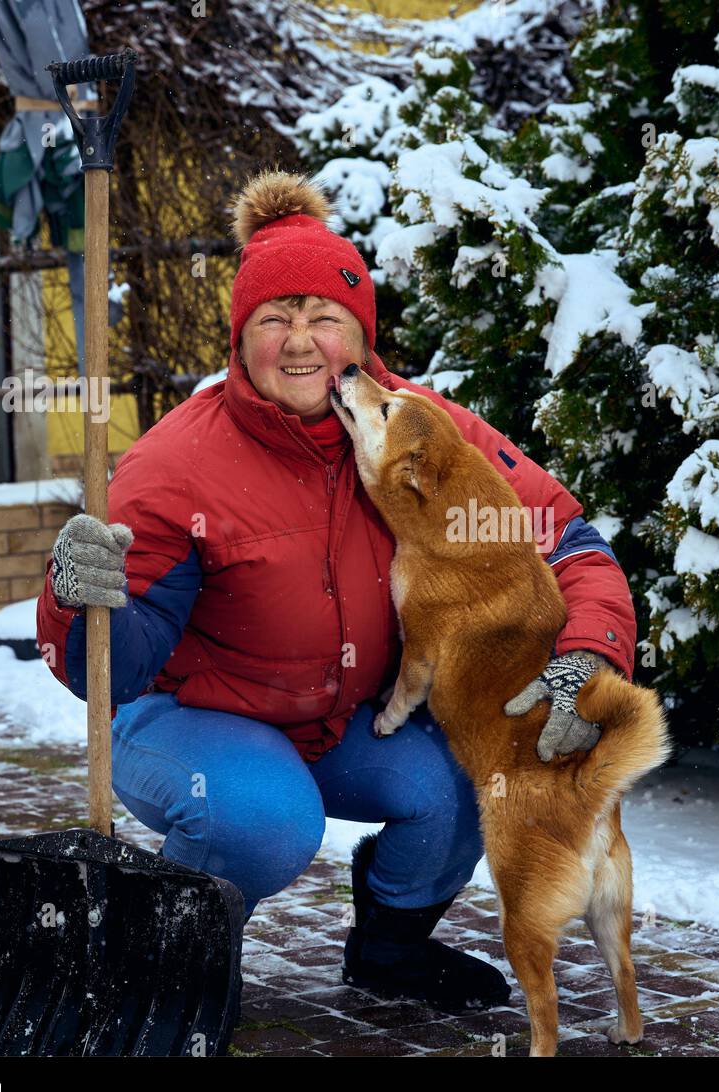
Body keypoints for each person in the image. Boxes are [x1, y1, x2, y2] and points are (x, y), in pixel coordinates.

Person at [35, 168, 638, 1023]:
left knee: (480, 773)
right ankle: (180, 946)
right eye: (275, 318)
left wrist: (587, 657)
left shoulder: (426, 434)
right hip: (194, 719)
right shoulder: (177, 467)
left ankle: (389, 947)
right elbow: (114, 672)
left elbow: (569, 543)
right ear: (240, 338)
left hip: (341, 716)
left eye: (325, 317)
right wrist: (78, 597)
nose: (300, 340)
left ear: (362, 333)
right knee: (266, 819)